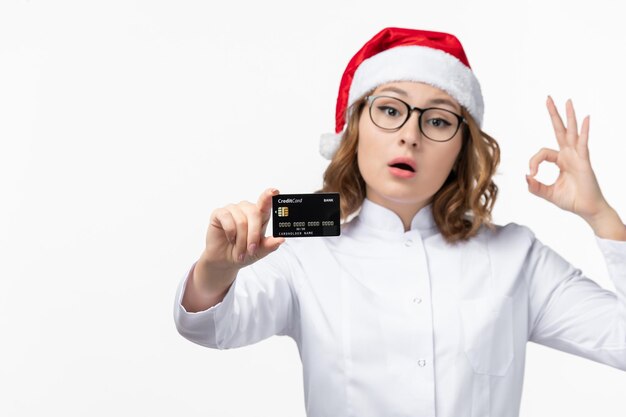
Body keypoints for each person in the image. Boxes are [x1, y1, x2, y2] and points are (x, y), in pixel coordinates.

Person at [173, 27, 626, 417]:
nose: (410, 134)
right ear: (354, 129)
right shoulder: (306, 253)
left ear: (461, 149)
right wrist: (218, 268)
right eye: (390, 110)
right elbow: (209, 327)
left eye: (438, 120)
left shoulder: (517, 257)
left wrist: (601, 215)